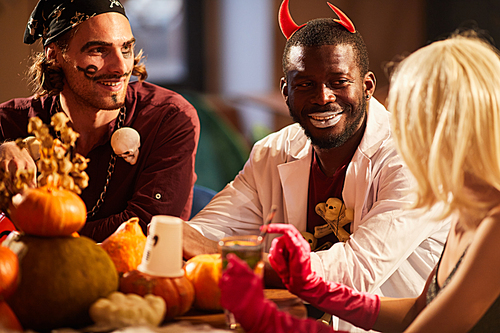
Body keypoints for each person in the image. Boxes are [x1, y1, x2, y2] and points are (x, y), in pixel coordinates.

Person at [185, 1, 450, 331]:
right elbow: (203, 234)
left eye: (339, 81)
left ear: (367, 86)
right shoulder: (271, 152)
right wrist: (185, 240)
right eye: (305, 84)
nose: (323, 97)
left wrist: (233, 259)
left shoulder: (414, 157)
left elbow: (357, 271)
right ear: (286, 92)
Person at [220, 32, 500, 333]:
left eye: (410, 121)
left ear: (448, 128)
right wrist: (318, 289)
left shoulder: (495, 225)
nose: (401, 135)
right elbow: (418, 312)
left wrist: (280, 324)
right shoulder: (469, 213)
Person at [0, 0, 200, 242]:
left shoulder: (167, 118)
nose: (120, 67)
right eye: (98, 50)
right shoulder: (9, 123)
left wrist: (38, 234)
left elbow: (148, 230)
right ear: (54, 57)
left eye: (126, 48)